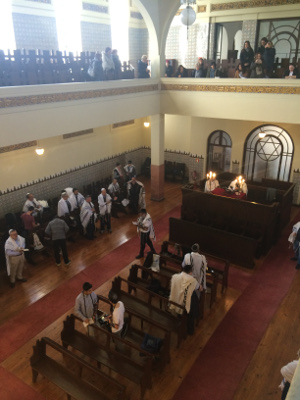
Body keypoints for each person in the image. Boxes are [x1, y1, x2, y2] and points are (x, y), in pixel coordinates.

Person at [169, 264, 198, 334]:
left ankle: (180, 318)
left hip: (174, 301)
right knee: (193, 300)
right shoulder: (191, 280)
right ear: (190, 272)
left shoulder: (175, 276)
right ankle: (190, 330)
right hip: (182, 304)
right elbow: (197, 288)